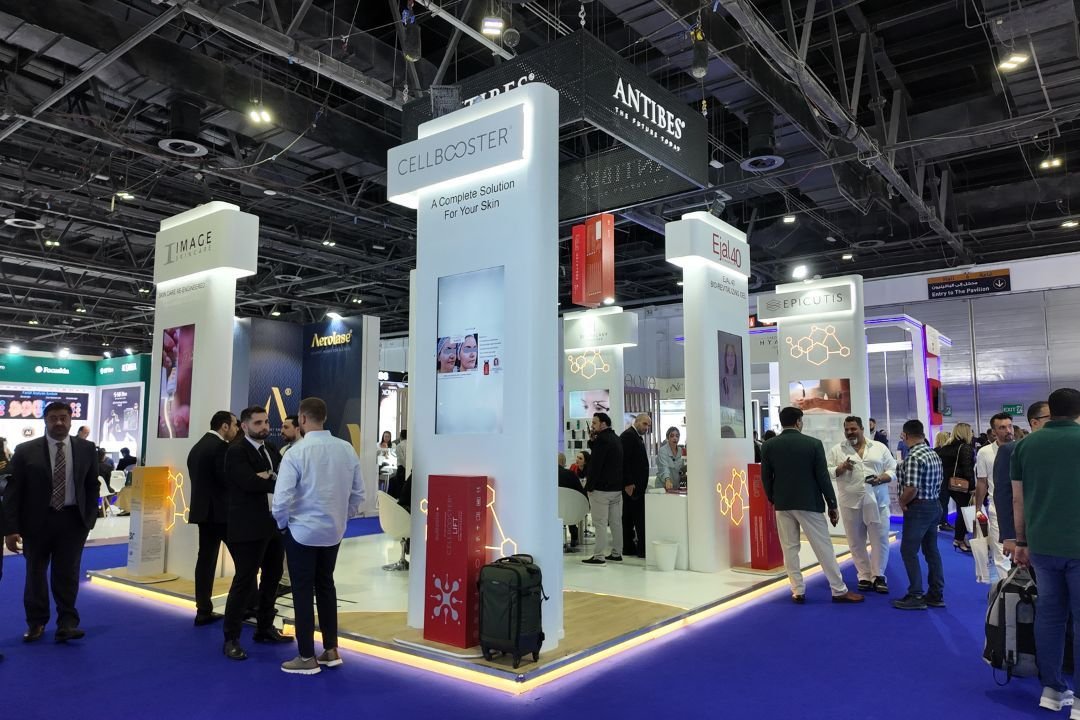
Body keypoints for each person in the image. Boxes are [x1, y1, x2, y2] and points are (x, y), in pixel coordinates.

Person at [272, 397, 364, 675]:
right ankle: (331, 650)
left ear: (301, 419)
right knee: (326, 586)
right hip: (333, 532)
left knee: (302, 591)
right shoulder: (346, 449)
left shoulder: (296, 453)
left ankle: (305, 657)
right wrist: (341, 519)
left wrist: (282, 525)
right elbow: (358, 494)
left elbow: (281, 499)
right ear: (324, 417)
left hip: (301, 531)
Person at [3, 402, 99, 642]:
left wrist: (89, 519)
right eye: (53, 418)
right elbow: (14, 492)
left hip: (72, 521)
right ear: (45, 421)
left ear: (71, 420)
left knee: (67, 574)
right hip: (36, 522)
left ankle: (67, 623)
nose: (59, 423)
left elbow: (92, 485)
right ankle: (36, 622)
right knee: (35, 574)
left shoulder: (87, 449)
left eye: (63, 418)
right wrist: (11, 529)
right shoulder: (25, 450)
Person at [1011, 388, 1080, 715]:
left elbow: (1018, 499)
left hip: (1041, 546)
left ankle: (1051, 690)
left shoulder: (1025, 446)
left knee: (1050, 617)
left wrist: (1021, 542)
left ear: (1050, 411)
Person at [760, 407, 863, 604]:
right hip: (809, 502)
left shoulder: (769, 445)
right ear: (798, 422)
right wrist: (831, 504)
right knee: (823, 547)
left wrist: (774, 498)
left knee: (789, 548)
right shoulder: (813, 444)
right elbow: (822, 477)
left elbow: (766, 477)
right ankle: (838, 589)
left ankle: (797, 590)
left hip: (783, 504)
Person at [221, 406, 291, 660]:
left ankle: (264, 627)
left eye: (266, 422)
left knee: (273, 577)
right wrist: (270, 479)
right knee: (244, 581)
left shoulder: (270, 448)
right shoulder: (236, 451)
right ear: (245, 426)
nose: (264, 427)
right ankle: (231, 638)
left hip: (273, 524)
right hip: (247, 526)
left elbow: (284, 477)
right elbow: (248, 483)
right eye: (258, 423)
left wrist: (267, 476)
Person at [826, 416, 897, 594]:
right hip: (850, 503)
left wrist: (881, 478)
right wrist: (841, 468)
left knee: (880, 539)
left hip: (877, 502)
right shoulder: (837, 450)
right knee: (855, 541)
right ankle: (864, 575)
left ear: (862, 429)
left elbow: (893, 468)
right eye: (847, 430)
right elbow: (827, 471)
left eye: (853, 429)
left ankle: (878, 575)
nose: (850, 432)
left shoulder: (879, 447)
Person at [186, 410, 239, 626]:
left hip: (203, 513)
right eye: (235, 425)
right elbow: (226, 480)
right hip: (221, 514)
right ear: (224, 426)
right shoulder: (220, 448)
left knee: (205, 561)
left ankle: (203, 609)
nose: (237, 429)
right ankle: (246, 607)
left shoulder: (197, 447)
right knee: (245, 561)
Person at [892, 419, 946, 610]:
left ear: (905, 435)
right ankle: (936, 594)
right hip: (934, 505)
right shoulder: (932, 453)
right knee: (931, 551)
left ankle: (916, 594)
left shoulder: (914, 457)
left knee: (908, 551)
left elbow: (911, 488)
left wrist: (901, 502)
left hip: (918, 508)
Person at [994, 401, 1050, 558]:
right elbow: (1004, 494)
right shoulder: (1012, 450)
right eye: (1050, 418)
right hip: (1029, 532)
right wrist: (1010, 536)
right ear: (1034, 422)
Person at [975, 413, 1014, 580]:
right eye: (1002, 427)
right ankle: (1006, 589)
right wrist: (977, 508)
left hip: (1024, 508)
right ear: (994, 432)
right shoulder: (984, 452)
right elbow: (982, 482)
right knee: (1001, 553)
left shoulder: (1022, 448)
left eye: (1010, 426)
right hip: (997, 508)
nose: (1008, 430)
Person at [582, 412, 624, 566]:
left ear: (603, 423)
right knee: (616, 522)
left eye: (595, 423)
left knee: (600, 523)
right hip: (616, 489)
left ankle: (599, 556)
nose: (592, 425)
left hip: (601, 490)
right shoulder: (616, 438)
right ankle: (617, 553)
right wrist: (593, 441)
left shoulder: (602, 440)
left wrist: (589, 486)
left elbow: (595, 465)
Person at [935, 423, 976, 552]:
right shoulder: (965, 448)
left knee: (961, 511)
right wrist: (972, 487)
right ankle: (959, 539)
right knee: (964, 512)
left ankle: (961, 538)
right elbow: (968, 469)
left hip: (949, 484)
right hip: (963, 484)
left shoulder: (945, 448)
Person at [621, 413, 651, 558]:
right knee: (635, 518)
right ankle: (638, 549)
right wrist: (628, 483)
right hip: (632, 486)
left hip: (636, 486)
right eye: (645, 424)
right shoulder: (628, 436)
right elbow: (624, 461)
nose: (646, 428)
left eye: (648, 425)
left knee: (631, 517)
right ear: (637, 421)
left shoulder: (635, 436)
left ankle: (630, 548)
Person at [558, 452, 587, 550]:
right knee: (569, 506)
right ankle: (574, 537)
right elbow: (581, 492)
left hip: (552, 512)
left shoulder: (547, 475)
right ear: (564, 463)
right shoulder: (571, 474)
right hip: (570, 513)